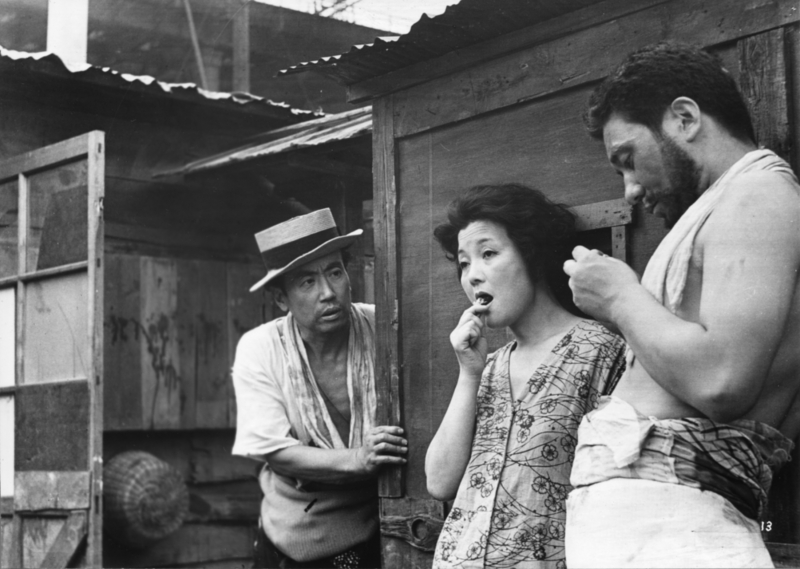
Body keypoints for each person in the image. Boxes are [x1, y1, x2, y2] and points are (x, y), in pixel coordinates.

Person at [563, 42, 800, 568]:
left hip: (679, 524)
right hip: (664, 523)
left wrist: (620, 297)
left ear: (685, 118)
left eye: (628, 159)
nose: (629, 190)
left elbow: (722, 381)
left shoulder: (760, 192)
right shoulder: (731, 201)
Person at [426, 184, 626, 568]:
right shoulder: (488, 367)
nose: (472, 276)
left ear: (531, 256)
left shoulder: (600, 351)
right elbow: (439, 482)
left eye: (488, 254)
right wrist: (468, 373)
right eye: (464, 264)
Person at [231, 208, 408, 568]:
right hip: (294, 533)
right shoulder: (261, 348)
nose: (328, 292)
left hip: (382, 526)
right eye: (307, 282)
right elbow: (276, 452)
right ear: (282, 299)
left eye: (335, 272)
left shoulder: (383, 328)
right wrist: (359, 459)